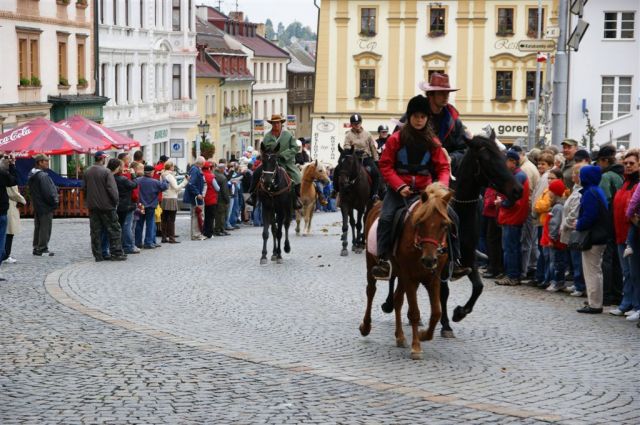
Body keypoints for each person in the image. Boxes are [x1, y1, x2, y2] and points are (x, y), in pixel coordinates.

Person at [372, 95, 468, 281]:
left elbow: (443, 167)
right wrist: (399, 186)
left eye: (423, 117)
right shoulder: (395, 140)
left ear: (427, 119)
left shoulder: (433, 142)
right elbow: (385, 165)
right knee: (386, 218)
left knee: (453, 218)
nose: (419, 120)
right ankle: (383, 261)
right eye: (416, 116)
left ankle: (454, 262)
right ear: (409, 117)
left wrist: (440, 189)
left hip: (427, 193)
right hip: (399, 191)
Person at [247, 114, 302, 209]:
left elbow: (295, 148)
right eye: (274, 123)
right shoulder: (267, 136)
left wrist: (284, 155)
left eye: (278, 123)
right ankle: (253, 195)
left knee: (297, 176)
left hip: (286, 162)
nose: (276, 125)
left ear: (281, 123)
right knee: (256, 172)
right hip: (270, 162)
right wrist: (267, 156)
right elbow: (263, 149)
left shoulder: (288, 135)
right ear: (271, 124)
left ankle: (296, 198)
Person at [575, 165, 611, 314]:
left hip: (593, 237)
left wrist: (578, 224)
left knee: (591, 271)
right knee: (595, 270)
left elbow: (589, 216)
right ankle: (594, 300)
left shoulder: (590, 193)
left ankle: (595, 303)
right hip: (599, 236)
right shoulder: (597, 190)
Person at [609, 149, 640, 319]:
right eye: (625, 163)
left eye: (631, 164)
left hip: (632, 234)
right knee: (626, 272)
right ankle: (626, 302)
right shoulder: (624, 183)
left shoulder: (637, 184)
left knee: (634, 272)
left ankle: (636, 305)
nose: (627, 166)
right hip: (620, 233)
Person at [419, 72, 468, 172]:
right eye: (441, 93)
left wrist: (451, 158)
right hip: (418, 175)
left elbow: (464, 149)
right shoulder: (414, 115)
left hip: (445, 175)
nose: (446, 96)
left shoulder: (454, 121)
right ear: (430, 94)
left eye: (447, 93)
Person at [495, 150, 530, 286]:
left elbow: (512, 198)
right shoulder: (518, 175)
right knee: (511, 247)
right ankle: (512, 274)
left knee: (511, 248)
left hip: (512, 217)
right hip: (512, 217)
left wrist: (501, 203)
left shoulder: (518, 176)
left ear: (513, 162)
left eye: (506, 161)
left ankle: (512, 275)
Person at [84, 153, 126, 262]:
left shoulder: (87, 171)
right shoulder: (106, 172)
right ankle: (116, 253)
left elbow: (84, 188)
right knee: (114, 230)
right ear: (102, 159)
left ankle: (98, 255)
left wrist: (88, 201)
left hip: (93, 206)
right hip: (107, 206)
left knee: (95, 231)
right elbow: (112, 189)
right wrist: (115, 201)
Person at [335, 113, 381, 201]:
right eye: (354, 123)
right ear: (351, 124)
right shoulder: (348, 135)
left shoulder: (368, 134)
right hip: (353, 159)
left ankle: (374, 194)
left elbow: (372, 148)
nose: (357, 125)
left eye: (358, 123)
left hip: (366, 158)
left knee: (376, 173)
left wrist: (376, 160)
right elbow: (346, 146)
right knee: (338, 169)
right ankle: (336, 190)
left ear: (361, 123)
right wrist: (354, 150)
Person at [561, 163, 587, 297]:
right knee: (573, 258)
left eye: (574, 173)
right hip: (570, 228)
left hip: (574, 229)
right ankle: (577, 283)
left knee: (577, 260)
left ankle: (580, 285)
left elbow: (574, 212)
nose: (572, 176)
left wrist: (565, 223)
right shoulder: (575, 189)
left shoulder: (580, 191)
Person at [27, 154, 59, 256]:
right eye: (46, 161)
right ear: (40, 162)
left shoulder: (31, 174)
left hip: (37, 205)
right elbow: (48, 193)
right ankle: (42, 248)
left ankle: (36, 247)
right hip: (45, 206)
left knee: (38, 227)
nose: (47, 163)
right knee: (45, 228)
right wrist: (54, 202)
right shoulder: (43, 176)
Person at [136, 165, 168, 248]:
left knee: (139, 225)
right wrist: (164, 178)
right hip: (151, 206)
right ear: (151, 173)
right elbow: (165, 187)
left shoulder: (138, 180)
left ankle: (138, 242)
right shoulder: (155, 182)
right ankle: (149, 242)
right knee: (150, 224)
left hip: (140, 206)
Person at [2, 158, 25, 264]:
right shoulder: (4, 175)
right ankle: (5, 254)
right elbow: (13, 191)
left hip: (7, 207)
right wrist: (23, 201)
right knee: (8, 233)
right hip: (8, 208)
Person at [114, 158, 139, 254]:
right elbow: (134, 185)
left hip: (117, 205)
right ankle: (128, 246)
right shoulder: (123, 179)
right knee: (127, 226)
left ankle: (119, 245)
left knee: (119, 226)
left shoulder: (111, 177)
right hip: (126, 205)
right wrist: (133, 174)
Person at [161, 161, 188, 243]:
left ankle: (164, 237)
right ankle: (171, 238)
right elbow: (176, 188)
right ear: (171, 167)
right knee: (171, 219)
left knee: (164, 219)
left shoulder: (162, 175)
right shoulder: (170, 176)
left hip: (164, 198)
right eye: (173, 166)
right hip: (171, 198)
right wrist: (185, 181)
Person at [0, 155, 18, 278]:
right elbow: (14, 181)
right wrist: (12, 165)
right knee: (1, 243)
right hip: (1, 212)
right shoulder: (2, 173)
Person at [182, 157, 205, 240]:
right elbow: (191, 184)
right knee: (196, 215)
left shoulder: (195, 169)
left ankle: (197, 234)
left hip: (196, 196)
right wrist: (198, 193)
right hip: (195, 197)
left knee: (196, 215)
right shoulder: (195, 170)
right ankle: (196, 235)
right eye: (203, 164)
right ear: (200, 163)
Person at [201, 162, 220, 238]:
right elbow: (217, 188)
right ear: (209, 168)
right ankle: (209, 233)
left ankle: (204, 231)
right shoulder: (211, 176)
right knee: (210, 217)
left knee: (204, 217)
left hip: (203, 199)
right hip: (211, 199)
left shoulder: (201, 175)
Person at [214, 161, 231, 236]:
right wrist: (227, 200)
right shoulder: (222, 178)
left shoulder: (214, 174)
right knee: (222, 215)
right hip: (221, 199)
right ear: (221, 169)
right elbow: (225, 191)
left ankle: (219, 229)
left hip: (215, 198)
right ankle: (220, 230)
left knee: (217, 215)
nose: (225, 170)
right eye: (224, 169)